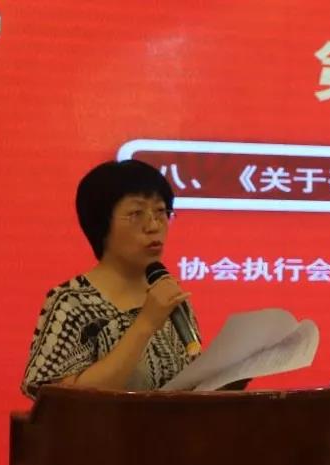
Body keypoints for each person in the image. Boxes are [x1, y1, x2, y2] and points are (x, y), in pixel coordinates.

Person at [21, 159, 200, 400]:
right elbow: (61, 402)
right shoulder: (72, 302)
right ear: (101, 224)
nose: (153, 225)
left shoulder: (169, 296)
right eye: (136, 214)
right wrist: (146, 323)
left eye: (161, 211)